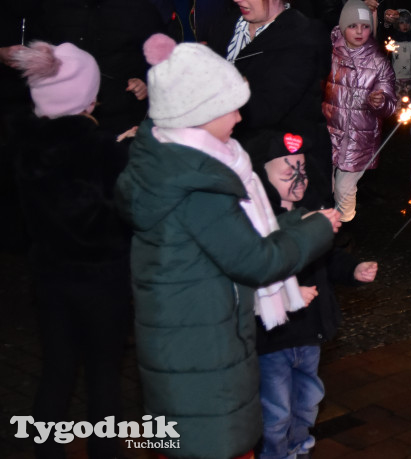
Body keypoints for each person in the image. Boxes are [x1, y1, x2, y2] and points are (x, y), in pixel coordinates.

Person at [116, 35, 342, 459]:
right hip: (203, 354)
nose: (240, 116)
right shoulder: (199, 185)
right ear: (198, 114)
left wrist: (295, 220)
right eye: (230, 107)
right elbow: (255, 260)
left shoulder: (172, 160)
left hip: (186, 343)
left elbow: (233, 237)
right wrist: (314, 234)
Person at [10, 41, 132, 459]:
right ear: (88, 96)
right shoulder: (102, 150)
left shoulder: (25, 148)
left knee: (56, 372)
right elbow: (123, 212)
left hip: (50, 277)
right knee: (104, 375)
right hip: (104, 282)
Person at [246, 129, 377, 459]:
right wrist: (290, 293)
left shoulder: (313, 211)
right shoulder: (258, 223)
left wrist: (353, 270)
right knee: (275, 413)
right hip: (272, 340)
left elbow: (329, 257)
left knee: (307, 403)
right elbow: (261, 268)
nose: (299, 177)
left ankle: (300, 449)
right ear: (262, 176)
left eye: (302, 168)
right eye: (288, 172)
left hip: (309, 334)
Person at [208, 0, 333, 186]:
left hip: (280, 171)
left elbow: (261, 111)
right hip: (227, 161)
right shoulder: (223, 26)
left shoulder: (300, 40)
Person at [35, 0, 162, 134]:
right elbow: (39, 61)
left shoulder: (137, 7)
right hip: (65, 120)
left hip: (122, 118)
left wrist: (146, 82)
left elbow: (161, 59)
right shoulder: (55, 5)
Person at [322, 0, 398, 225]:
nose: (359, 32)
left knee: (345, 188)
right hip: (330, 132)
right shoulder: (331, 54)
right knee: (327, 184)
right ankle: (328, 227)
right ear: (343, 26)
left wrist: (380, 101)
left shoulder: (378, 62)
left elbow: (390, 104)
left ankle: (346, 228)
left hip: (359, 138)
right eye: (353, 25)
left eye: (365, 27)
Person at [389, 9, 411, 97]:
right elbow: (391, 59)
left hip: (410, 77)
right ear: (397, 24)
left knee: (407, 102)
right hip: (397, 77)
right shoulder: (393, 41)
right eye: (401, 22)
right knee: (397, 101)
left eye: (407, 22)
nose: (405, 25)